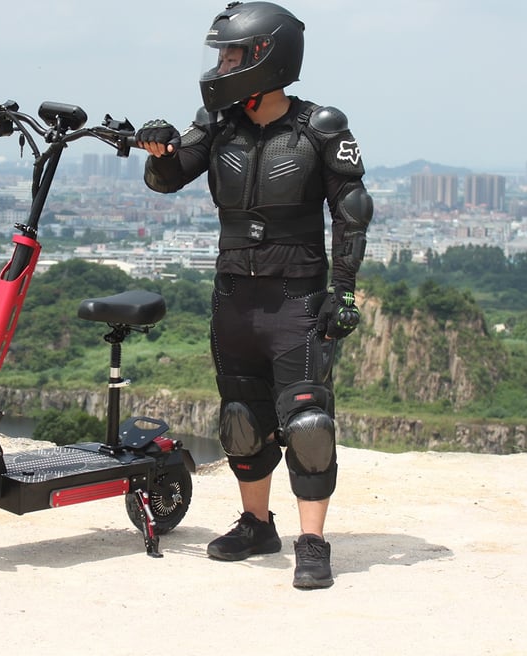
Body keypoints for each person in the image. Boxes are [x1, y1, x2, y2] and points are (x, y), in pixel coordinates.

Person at [136, 1, 373, 589]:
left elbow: (352, 212)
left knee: (309, 422)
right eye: (221, 53)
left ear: (266, 55)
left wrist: (343, 292)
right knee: (241, 418)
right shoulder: (217, 125)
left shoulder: (320, 128)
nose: (222, 65)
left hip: (297, 299)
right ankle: (256, 523)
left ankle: (312, 541)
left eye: (232, 54)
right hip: (234, 298)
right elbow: (167, 179)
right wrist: (160, 150)